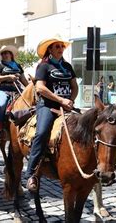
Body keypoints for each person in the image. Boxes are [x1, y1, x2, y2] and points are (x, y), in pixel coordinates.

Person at [26, 35, 77, 193]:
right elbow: (40, 88)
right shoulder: (44, 66)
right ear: (50, 49)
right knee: (41, 133)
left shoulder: (67, 66)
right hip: (47, 106)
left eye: (62, 46)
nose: (61, 49)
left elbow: (74, 86)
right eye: (57, 47)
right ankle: (32, 173)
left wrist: (71, 101)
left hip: (66, 106)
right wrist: (61, 100)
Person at [0, 45, 28, 141]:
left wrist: (30, 88)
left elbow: (23, 80)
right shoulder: (0, 66)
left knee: (29, 105)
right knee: (1, 104)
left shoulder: (18, 66)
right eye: (2, 53)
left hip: (17, 91)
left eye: (6, 53)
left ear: (11, 54)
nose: (4, 55)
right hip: (3, 90)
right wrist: (8, 77)